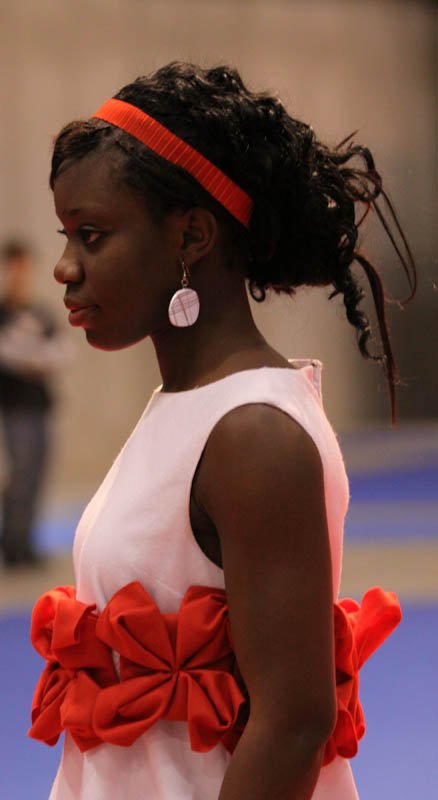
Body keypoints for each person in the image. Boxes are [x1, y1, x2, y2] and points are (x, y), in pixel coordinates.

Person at [28, 63, 415, 799]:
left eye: (92, 235)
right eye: (67, 235)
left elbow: (294, 723)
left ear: (193, 236)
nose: (64, 268)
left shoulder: (254, 434)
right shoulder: (190, 404)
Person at [0, 239, 69, 569]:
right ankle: (10, 542)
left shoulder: (40, 312)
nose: (19, 274)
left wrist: (36, 359)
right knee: (16, 475)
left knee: (36, 475)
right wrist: (34, 359)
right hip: (11, 406)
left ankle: (27, 541)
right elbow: (4, 353)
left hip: (39, 404)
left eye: (24, 267)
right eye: (14, 267)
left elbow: (62, 350)